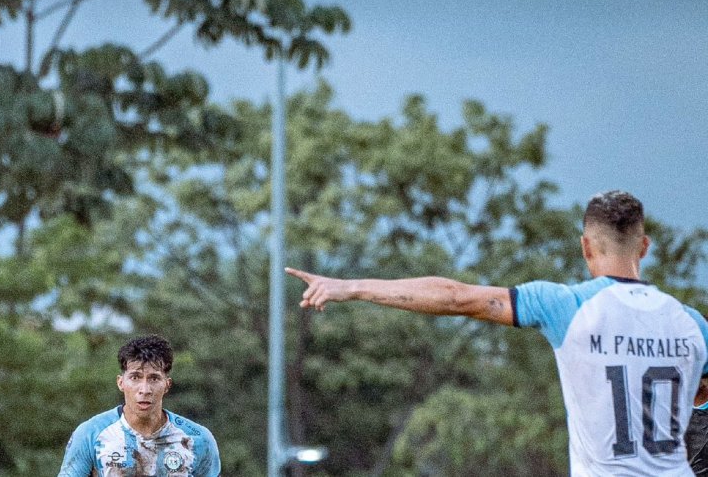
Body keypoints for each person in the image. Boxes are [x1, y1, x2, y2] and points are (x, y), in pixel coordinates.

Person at [286, 190, 708, 476]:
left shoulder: (566, 306)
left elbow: (455, 297)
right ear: (645, 246)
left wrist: (351, 287)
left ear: (585, 247)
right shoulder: (691, 324)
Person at [58, 335, 221, 477]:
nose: (145, 390)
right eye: (135, 377)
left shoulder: (198, 439)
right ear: (121, 383)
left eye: (154, 379)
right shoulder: (90, 434)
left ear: (167, 385)